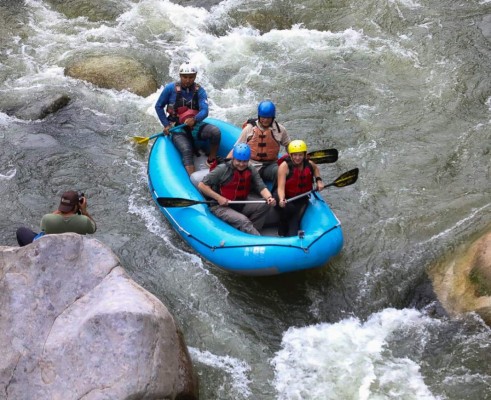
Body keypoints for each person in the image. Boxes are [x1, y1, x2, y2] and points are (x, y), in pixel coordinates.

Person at [155, 62, 221, 176]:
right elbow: (158, 106)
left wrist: (195, 119)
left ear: (195, 76)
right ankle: (193, 179)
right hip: (176, 127)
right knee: (186, 149)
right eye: (185, 77)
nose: (188, 80)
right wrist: (166, 124)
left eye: (191, 77)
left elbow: (205, 110)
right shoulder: (170, 89)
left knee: (215, 132)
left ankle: (211, 160)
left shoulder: (199, 90)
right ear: (180, 76)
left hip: (194, 125)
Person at [198, 143, 276, 235]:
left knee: (265, 204)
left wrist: (269, 198)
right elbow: (202, 185)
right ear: (233, 158)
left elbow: (261, 187)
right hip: (220, 206)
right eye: (239, 161)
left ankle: (251, 232)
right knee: (243, 221)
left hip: (240, 202)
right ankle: (258, 239)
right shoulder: (222, 169)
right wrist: (219, 198)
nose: (242, 164)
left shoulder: (250, 169)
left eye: (245, 161)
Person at [227, 100, 290, 185]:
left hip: (271, 165)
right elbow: (237, 148)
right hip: (251, 164)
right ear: (259, 116)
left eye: (268, 118)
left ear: (273, 117)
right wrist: (226, 163)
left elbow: (288, 145)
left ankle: (277, 195)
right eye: (263, 117)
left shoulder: (280, 130)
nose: (265, 120)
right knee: (241, 179)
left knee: (282, 173)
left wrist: (296, 158)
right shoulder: (249, 129)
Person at [275, 140, 324, 237]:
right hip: (286, 198)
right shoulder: (284, 166)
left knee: (295, 211)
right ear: (290, 155)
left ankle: (287, 234)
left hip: (301, 197)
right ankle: (283, 233)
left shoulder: (309, 164)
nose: (298, 158)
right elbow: (280, 188)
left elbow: (316, 169)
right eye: (295, 155)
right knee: (290, 211)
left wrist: (319, 180)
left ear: (305, 155)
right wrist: (281, 199)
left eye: (300, 155)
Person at [16, 191, 97, 246]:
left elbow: (43, 229)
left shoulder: (47, 219)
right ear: (76, 206)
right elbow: (93, 228)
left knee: (21, 231)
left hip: (50, 248)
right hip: (72, 249)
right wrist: (84, 211)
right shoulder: (84, 221)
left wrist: (61, 210)